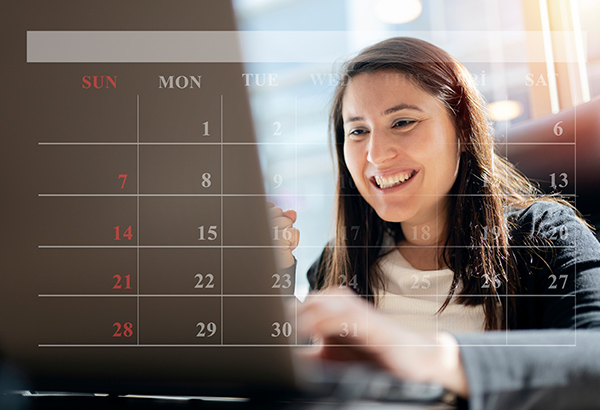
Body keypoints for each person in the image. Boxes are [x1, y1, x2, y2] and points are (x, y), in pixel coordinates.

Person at [269, 37, 600, 409]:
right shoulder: (341, 258)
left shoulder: (544, 233)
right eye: (358, 131)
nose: (376, 154)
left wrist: (427, 356)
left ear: (461, 130)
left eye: (403, 122)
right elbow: (298, 374)